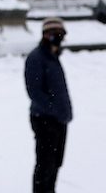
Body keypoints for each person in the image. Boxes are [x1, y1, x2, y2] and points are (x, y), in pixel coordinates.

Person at [25, 17, 71, 193]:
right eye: (55, 34)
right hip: (44, 120)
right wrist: (55, 111)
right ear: (46, 35)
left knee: (56, 163)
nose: (59, 38)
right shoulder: (36, 58)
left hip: (59, 120)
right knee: (45, 165)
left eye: (61, 35)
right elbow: (34, 92)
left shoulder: (53, 57)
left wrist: (64, 113)